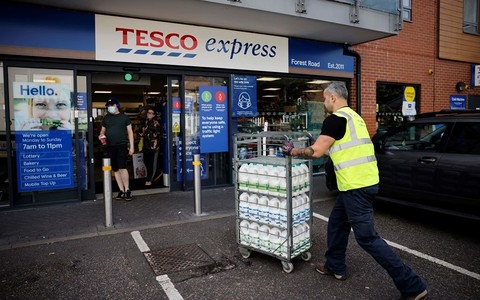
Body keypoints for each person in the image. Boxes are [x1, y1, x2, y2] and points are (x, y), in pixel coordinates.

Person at [282, 81, 428, 300]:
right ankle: (335, 266)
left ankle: (412, 285)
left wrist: (293, 151)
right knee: (337, 223)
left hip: (356, 187)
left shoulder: (335, 119)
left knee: (368, 238)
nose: (323, 102)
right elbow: (342, 149)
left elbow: (316, 152)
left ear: (332, 97)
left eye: (324, 98)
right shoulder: (355, 118)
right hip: (363, 183)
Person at [99, 98, 134, 201]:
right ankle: (121, 190)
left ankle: (127, 190)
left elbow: (130, 132)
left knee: (122, 167)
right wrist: (101, 136)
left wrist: (131, 146)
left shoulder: (124, 117)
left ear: (117, 105)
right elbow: (102, 131)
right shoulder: (106, 118)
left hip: (121, 145)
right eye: (108, 105)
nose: (109, 107)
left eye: (111, 105)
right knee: (115, 169)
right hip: (110, 146)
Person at [140, 106, 163, 186]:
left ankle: (149, 179)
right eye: (148, 113)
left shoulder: (156, 123)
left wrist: (146, 135)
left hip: (153, 147)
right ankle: (157, 172)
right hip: (146, 146)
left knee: (151, 164)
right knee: (145, 161)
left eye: (151, 113)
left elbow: (156, 135)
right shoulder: (146, 122)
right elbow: (143, 132)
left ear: (154, 115)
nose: (149, 114)